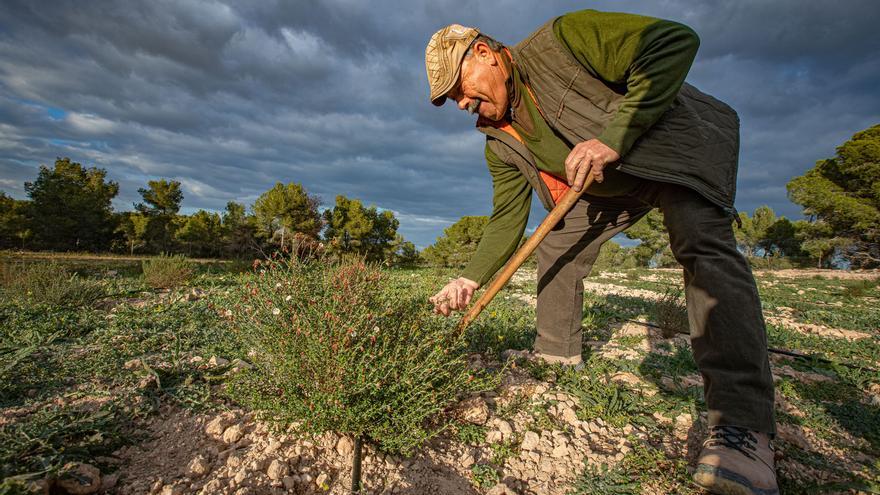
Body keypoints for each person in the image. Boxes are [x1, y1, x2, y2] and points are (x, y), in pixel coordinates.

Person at [424, 9, 778, 495]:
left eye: (460, 88)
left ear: (485, 54)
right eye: (451, 101)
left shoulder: (564, 39)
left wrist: (611, 140)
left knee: (702, 246)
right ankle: (555, 355)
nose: (463, 104)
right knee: (557, 246)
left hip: (672, 149)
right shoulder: (499, 142)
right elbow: (507, 220)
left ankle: (743, 431)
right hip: (605, 191)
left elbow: (675, 42)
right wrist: (468, 279)